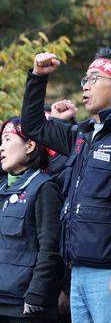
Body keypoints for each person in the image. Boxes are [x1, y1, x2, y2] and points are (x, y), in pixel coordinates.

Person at [20, 49, 111, 323]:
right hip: (78, 270)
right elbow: (32, 126)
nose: (85, 86)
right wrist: (38, 78)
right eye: (84, 79)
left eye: (94, 78)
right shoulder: (80, 134)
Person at [0, 117, 63, 322]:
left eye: (8, 140)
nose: (2, 148)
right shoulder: (2, 188)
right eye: (1, 141)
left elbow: (50, 248)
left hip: (26, 307)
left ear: (30, 145)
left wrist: (36, 293)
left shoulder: (44, 188)